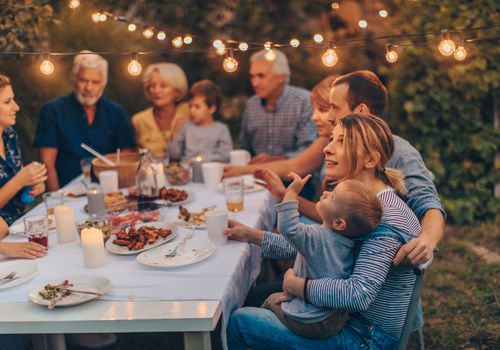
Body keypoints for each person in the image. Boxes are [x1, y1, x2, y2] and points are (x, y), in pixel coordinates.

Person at [226, 113, 422, 349]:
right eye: (331, 139)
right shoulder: (360, 204)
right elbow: (318, 245)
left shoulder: (384, 218)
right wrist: (252, 236)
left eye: (341, 142)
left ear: (370, 160)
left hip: (364, 337)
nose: (327, 149)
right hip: (340, 318)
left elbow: (359, 294)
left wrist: (298, 286)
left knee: (240, 322)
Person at [224, 70, 445, 266]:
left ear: (360, 111)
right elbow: (327, 239)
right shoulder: (341, 149)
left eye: (332, 107)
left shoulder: (400, 154)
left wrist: (426, 240)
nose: (327, 116)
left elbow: (428, 203)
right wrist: (254, 235)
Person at [262, 174, 382, 339]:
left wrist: (291, 193)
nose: (325, 193)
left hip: (309, 320)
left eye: (332, 197)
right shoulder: (348, 243)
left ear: (339, 223)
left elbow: (287, 227)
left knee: (269, 301)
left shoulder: (316, 237)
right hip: (333, 318)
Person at [34, 51, 135, 190]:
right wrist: (57, 200)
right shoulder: (52, 110)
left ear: (103, 84)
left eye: (95, 82)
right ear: (74, 79)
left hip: (110, 190)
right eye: (83, 80)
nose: (89, 88)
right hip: (68, 192)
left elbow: (126, 155)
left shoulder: (116, 112)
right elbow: (47, 162)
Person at [240, 49, 316, 164]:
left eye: (261, 76)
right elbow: (244, 147)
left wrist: (274, 160)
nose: (254, 83)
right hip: (255, 177)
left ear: (282, 77)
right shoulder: (252, 104)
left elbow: (310, 149)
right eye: (252, 76)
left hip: (296, 179)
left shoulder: (304, 102)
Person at [0, 74, 46, 225]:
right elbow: (17, 180)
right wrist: (19, 181)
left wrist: (33, 183)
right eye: (7, 102)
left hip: (21, 223)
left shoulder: (9, 134)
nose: (16, 107)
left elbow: (18, 175)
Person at [132, 63, 190, 159]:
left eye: (163, 86)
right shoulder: (138, 120)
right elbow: (136, 157)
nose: (156, 90)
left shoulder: (189, 111)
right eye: (152, 86)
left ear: (177, 91)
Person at [168, 79, 233, 163]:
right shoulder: (186, 128)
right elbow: (174, 154)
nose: (192, 111)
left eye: (197, 107)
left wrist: (200, 160)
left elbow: (225, 155)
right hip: (187, 170)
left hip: (211, 170)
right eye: (190, 106)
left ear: (211, 109)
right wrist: (175, 133)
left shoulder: (221, 130)